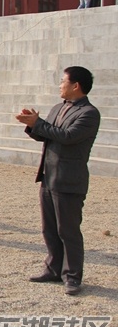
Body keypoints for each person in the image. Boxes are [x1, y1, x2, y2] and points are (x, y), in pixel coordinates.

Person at [16, 66, 100, 296]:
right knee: (49, 228)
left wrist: (39, 123)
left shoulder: (89, 113)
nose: (60, 85)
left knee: (68, 231)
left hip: (69, 181)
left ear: (76, 86)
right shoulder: (58, 108)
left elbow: (68, 137)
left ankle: (72, 276)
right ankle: (53, 269)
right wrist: (32, 124)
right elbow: (47, 134)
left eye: (63, 81)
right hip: (49, 177)